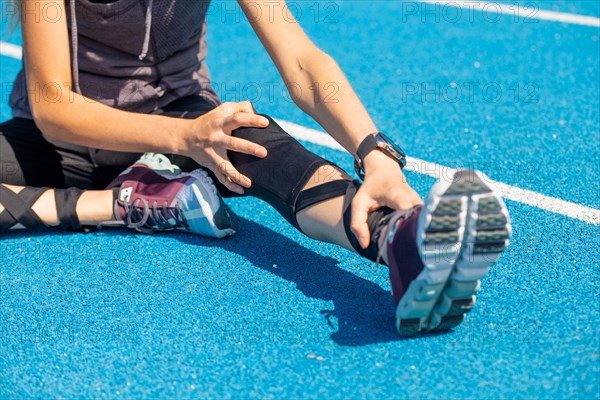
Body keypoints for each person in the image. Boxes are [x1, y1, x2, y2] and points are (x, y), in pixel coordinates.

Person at [0, 0, 511, 335]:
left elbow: (303, 65)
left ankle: (399, 241)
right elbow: (53, 105)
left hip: (186, 115)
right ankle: (119, 203)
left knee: (272, 152)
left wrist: (375, 153)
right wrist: (182, 138)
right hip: (69, 136)